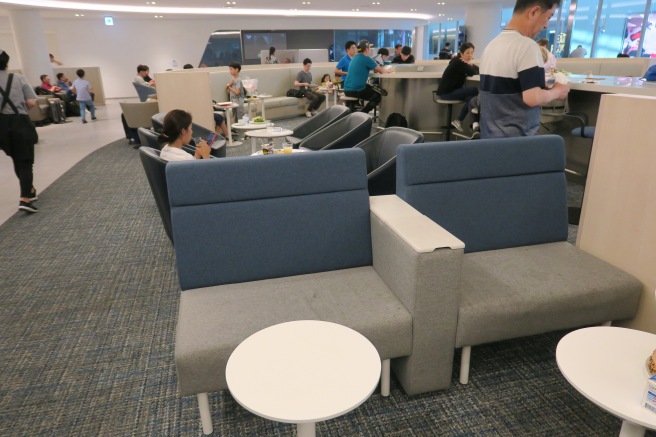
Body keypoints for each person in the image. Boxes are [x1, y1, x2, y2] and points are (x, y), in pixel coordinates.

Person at [478, 0, 570, 138]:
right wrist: (558, 91)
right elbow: (532, 98)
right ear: (534, 12)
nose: (546, 25)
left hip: (490, 136)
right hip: (518, 140)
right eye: (548, 17)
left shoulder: (491, 45)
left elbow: (505, 87)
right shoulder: (527, 46)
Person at [0, 50, 39, 213]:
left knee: (16, 158)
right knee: (25, 161)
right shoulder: (17, 78)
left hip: (1, 126)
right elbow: (31, 102)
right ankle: (25, 198)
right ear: (7, 63)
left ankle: (29, 189)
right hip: (19, 123)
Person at [436, 42, 480, 135]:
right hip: (447, 93)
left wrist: (470, 64)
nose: (470, 55)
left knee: (472, 99)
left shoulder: (459, 61)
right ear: (461, 53)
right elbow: (475, 72)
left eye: (472, 53)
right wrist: (471, 65)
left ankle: (459, 120)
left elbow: (476, 70)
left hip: (451, 92)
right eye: (467, 53)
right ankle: (475, 115)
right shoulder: (459, 62)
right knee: (475, 90)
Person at [343, 40, 391, 114]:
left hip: (346, 89)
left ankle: (355, 114)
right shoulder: (367, 59)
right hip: (357, 90)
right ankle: (363, 113)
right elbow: (381, 71)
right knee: (377, 96)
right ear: (366, 49)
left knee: (369, 86)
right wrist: (389, 71)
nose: (370, 49)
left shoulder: (354, 58)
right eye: (369, 48)